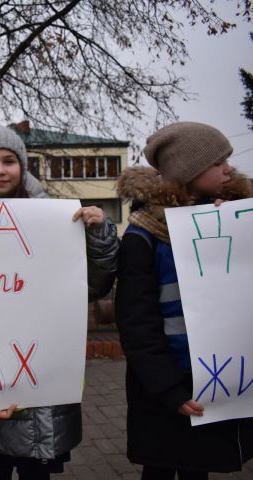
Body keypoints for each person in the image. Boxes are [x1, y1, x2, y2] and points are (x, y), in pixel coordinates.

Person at [0, 123, 119, 480]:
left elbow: (91, 287)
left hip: (41, 379)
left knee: (38, 472)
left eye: (9, 161)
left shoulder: (57, 219)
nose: (0, 170)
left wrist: (98, 236)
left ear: (22, 166)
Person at [115, 121, 253, 480]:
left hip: (216, 379)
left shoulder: (235, 219)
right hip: (164, 389)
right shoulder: (143, 236)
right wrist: (169, 390)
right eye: (216, 162)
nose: (228, 169)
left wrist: (231, 224)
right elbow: (136, 324)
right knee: (160, 468)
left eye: (227, 160)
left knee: (198, 468)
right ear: (187, 171)